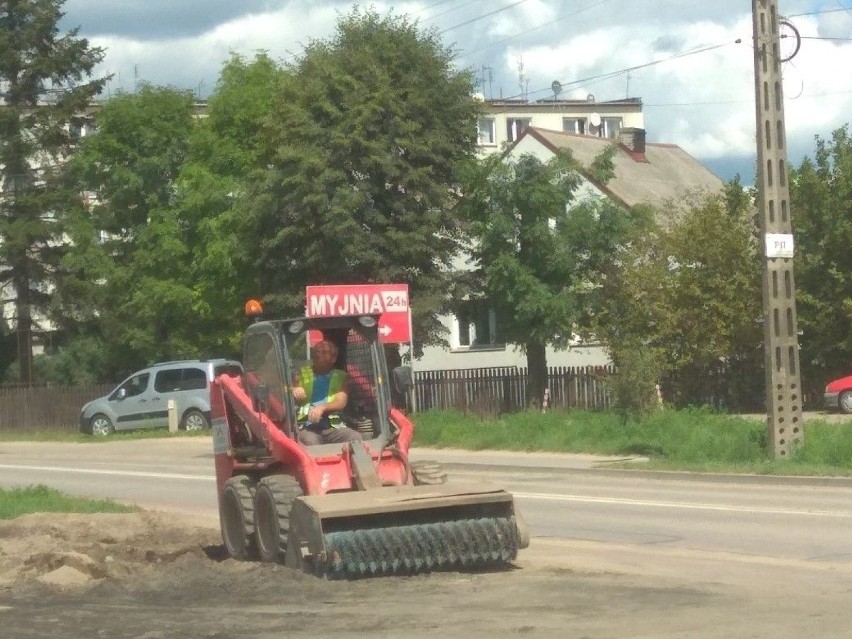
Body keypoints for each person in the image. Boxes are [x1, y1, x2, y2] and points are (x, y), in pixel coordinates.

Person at [292, 339, 362, 446]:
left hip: (333, 428)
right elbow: (284, 391)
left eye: (324, 352)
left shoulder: (341, 377)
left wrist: (322, 408)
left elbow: (341, 402)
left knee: (355, 437)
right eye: (316, 352)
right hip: (307, 427)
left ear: (333, 358)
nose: (319, 355)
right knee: (310, 441)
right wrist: (293, 389)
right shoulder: (299, 373)